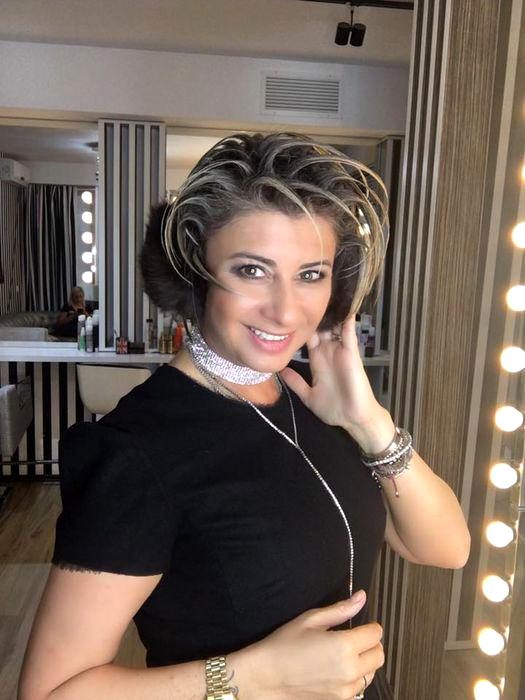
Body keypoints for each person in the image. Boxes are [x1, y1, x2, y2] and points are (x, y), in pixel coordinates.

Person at [18, 133, 470, 700]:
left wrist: (368, 420)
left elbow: (445, 548)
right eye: (253, 271)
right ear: (194, 273)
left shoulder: (318, 404)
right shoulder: (139, 450)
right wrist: (252, 676)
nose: (285, 310)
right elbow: (50, 692)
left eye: (311, 274)